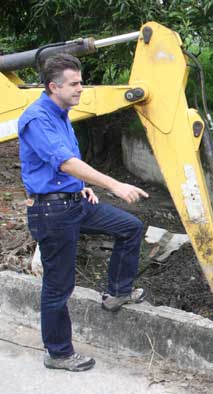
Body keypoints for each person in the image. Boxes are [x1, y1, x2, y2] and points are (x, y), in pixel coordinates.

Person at [19, 54, 149, 372]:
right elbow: (62, 161)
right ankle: (59, 352)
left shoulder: (62, 113)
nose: (81, 88)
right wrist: (113, 184)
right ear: (54, 86)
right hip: (52, 212)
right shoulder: (37, 118)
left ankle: (118, 292)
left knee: (130, 226)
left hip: (73, 202)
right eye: (75, 83)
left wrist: (79, 185)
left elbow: (66, 166)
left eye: (81, 81)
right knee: (58, 285)